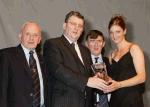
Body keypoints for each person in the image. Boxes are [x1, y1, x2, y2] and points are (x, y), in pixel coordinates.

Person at [43, 11, 108, 107]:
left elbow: (89, 76)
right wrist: (86, 81)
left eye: (80, 26)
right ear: (64, 25)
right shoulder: (53, 44)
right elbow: (58, 70)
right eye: (73, 24)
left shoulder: (85, 50)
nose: (76, 28)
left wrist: (103, 83)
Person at [0, 22, 48, 107]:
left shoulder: (44, 60)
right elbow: (2, 89)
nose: (31, 38)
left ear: (39, 39)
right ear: (20, 36)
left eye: (35, 35)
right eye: (27, 34)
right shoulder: (6, 55)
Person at [105, 15, 146, 107]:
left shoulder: (134, 48)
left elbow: (142, 77)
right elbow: (114, 79)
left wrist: (119, 84)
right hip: (115, 101)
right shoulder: (111, 55)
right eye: (111, 32)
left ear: (125, 31)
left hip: (131, 99)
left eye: (117, 32)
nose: (114, 36)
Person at [85, 30, 110, 107]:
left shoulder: (110, 62)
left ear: (103, 44)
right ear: (86, 44)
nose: (96, 44)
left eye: (99, 41)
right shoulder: (81, 63)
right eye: (92, 41)